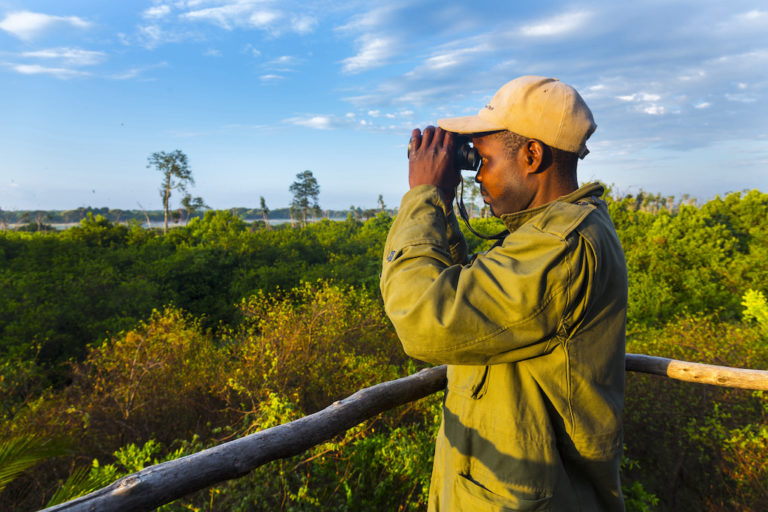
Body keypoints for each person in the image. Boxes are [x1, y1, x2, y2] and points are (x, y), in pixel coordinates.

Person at [380, 75, 627, 511]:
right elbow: (470, 293)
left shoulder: (561, 247)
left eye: (484, 159)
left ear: (532, 155)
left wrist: (424, 194)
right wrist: (443, 203)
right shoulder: (547, 234)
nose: (477, 175)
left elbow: (422, 316)